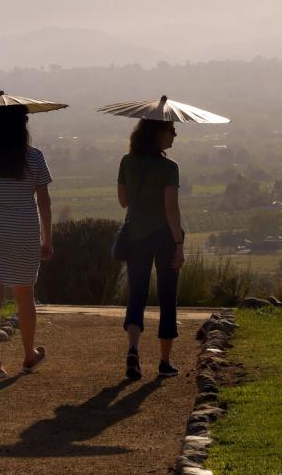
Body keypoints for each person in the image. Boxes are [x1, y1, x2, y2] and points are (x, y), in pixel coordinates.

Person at [0, 104, 53, 380]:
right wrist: (47, 239)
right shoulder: (34, 158)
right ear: (23, 125)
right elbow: (44, 201)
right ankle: (28, 356)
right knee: (24, 294)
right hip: (24, 231)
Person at [117, 118, 185, 380]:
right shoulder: (170, 167)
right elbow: (171, 208)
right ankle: (164, 362)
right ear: (158, 133)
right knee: (167, 297)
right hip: (166, 238)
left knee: (137, 294)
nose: (175, 134)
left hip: (136, 236)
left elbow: (123, 201)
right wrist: (178, 244)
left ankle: (133, 349)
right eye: (171, 130)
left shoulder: (126, 161)